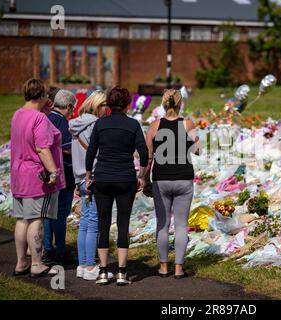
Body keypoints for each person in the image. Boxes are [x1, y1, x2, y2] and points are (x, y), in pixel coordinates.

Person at [86, 86, 148, 286]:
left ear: (109, 103)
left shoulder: (100, 124)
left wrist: (89, 177)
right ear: (128, 104)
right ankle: (122, 272)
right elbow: (144, 154)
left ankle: (103, 271)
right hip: (125, 179)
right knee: (123, 223)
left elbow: (91, 152)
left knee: (103, 224)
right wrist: (142, 176)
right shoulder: (133, 125)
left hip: (102, 178)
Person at [11, 79, 65, 278]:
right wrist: (53, 172)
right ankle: (36, 263)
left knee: (22, 219)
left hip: (18, 174)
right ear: (42, 96)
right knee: (36, 219)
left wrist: (45, 112)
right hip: (36, 175)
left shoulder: (18, 114)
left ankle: (20, 263)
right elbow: (42, 148)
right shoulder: (39, 119)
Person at [145, 89, 200, 279]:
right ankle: (178, 268)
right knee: (181, 225)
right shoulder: (187, 124)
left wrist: (144, 180)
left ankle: (162, 267)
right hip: (183, 178)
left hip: (161, 179)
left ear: (163, 104)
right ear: (180, 104)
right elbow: (198, 150)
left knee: (163, 224)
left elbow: (148, 157)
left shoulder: (153, 126)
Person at [69, 91, 108, 280]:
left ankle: (83, 264)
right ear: (95, 105)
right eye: (103, 105)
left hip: (80, 177)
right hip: (92, 176)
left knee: (84, 222)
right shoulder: (95, 125)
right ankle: (90, 265)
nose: (106, 109)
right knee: (93, 223)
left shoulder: (75, 124)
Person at [42, 90, 76, 264]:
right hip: (63, 173)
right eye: (73, 109)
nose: (73, 113)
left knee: (47, 213)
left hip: (46, 173)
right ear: (68, 106)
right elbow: (67, 147)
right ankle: (61, 250)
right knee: (61, 213)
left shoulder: (45, 118)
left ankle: (47, 249)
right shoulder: (62, 122)